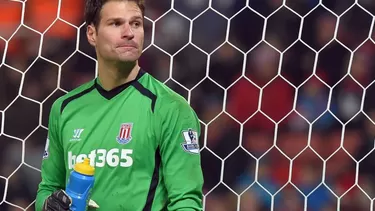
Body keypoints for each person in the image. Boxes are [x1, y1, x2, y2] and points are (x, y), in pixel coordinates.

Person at [35, 0, 204, 210]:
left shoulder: (171, 108)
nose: (129, 33)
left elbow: (186, 202)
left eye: (136, 24)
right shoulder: (64, 108)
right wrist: (48, 205)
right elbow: (48, 188)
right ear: (91, 34)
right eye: (116, 23)